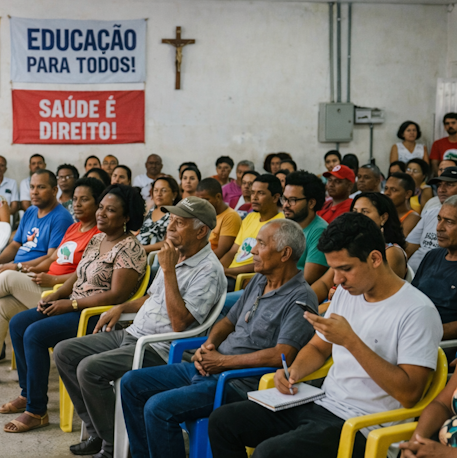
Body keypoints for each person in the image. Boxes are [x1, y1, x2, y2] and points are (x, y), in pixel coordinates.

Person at [209, 212, 442, 458]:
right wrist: (294, 372)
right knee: (223, 422)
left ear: (375, 258)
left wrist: (351, 341)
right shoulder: (347, 292)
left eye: (345, 269)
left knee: (270, 453)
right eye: (333, 270)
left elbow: (409, 394)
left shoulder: (417, 311)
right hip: (321, 402)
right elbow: (319, 347)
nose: (338, 280)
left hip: (365, 424)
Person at [122, 219, 318, 458]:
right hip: (213, 366)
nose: (253, 251)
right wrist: (207, 346)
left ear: (285, 253)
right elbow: (227, 322)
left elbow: (282, 355)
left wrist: (222, 363)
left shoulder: (301, 297)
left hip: (237, 382)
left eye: (261, 244)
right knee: (131, 383)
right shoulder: (259, 281)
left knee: (158, 407)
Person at [54, 197, 225, 458]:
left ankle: (113, 448)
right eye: (171, 220)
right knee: (65, 352)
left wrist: (167, 271)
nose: (170, 227)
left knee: (89, 369)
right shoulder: (176, 256)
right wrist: (122, 308)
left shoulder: (208, 270)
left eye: (180, 223)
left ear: (201, 231)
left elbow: (181, 323)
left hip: (159, 347)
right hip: (134, 332)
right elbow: (153, 298)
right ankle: (98, 432)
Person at [2, 185, 146, 433]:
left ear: (126, 218)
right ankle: (28, 393)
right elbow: (78, 275)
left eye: (110, 210)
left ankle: (36, 411)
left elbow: (116, 295)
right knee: (18, 323)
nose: (101, 213)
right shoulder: (97, 238)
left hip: (96, 316)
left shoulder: (130, 249)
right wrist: (56, 294)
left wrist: (71, 304)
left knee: (35, 334)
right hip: (73, 305)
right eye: (101, 207)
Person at [0, 177, 105, 384]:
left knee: (7, 276)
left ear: (98, 204)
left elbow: (84, 274)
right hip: (42, 282)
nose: (76, 204)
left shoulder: (98, 236)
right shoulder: (74, 229)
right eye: (75, 199)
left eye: (84, 200)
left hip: (61, 293)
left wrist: (47, 277)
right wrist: (27, 268)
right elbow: (52, 258)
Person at [0, 169, 74, 358]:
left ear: (54, 190)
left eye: (41, 187)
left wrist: (18, 267)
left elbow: (51, 258)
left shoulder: (60, 218)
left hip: (32, 274)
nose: (34, 192)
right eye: (32, 187)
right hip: (14, 268)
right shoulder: (31, 211)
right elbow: (16, 244)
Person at [312, 193, 409, 310]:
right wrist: (304, 303)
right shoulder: (347, 247)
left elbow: (372, 300)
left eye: (364, 212)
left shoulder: (391, 252)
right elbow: (323, 284)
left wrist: (318, 311)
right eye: (354, 211)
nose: (357, 217)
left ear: (383, 217)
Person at [220, 174, 284, 290]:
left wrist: (228, 271)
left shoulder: (280, 223)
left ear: (275, 198)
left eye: (261, 193)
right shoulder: (250, 217)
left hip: (246, 279)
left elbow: (265, 263)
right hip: (229, 275)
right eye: (253, 192)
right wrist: (219, 268)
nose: (254, 197)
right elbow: (233, 251)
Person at [410, 196, 457, 340]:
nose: (439, 227)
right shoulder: (433, 255)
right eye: (439, 219)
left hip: (439, 345)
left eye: (449, 222)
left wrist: (424, 334)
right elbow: (411, 297)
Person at [406, 166, 457, 273]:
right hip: (413, 274)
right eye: (439, 185)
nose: (441, 190)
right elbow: (409, 247)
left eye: (449, 185)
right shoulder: (431, 212)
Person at [283, 171, 329, 284]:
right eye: (284, 199)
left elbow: (306, 280)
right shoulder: (284, 225)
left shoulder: (320, 232)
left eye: (292, 200)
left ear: (311, 203)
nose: (285, 205)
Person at [197, 178, 241, 260]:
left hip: (210, 262)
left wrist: (197, 262)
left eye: (206, 200)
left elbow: (221, 251)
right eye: (199, 200)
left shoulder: (230, 216)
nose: (202, 204)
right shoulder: (204, 213)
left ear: (218, 197)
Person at [136, 176, 181, 253]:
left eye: (163, 190)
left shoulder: (176, 215)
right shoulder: (148, 210)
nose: (159, 194)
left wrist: (143, 249)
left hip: (156, 256)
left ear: (174, 194)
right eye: (156, 190)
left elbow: (170, 241)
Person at [384, 172, 421, 236]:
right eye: (386, 188)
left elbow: (400, 242)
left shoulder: (414, 217)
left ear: (407, 194)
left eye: (394, 190)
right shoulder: (383, 212)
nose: (387, 193)